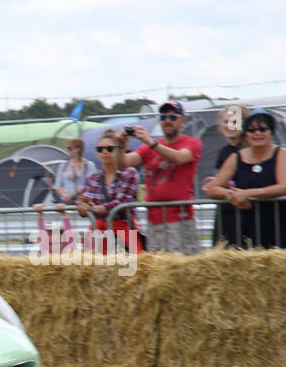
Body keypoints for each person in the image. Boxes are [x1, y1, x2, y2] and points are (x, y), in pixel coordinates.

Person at [121, 102, 202, 255]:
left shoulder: (192, 142)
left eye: (172, 116)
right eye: (163, 117)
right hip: (154, 220)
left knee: (181, 266)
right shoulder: (149, 147)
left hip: (179, 219)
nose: (167, 121)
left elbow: (180, 158)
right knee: (157, 269)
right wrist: (120, 146)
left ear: (183, 121)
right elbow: (123, 162)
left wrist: (151, 142)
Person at [203, 112, 286, 249]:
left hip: (277, 221)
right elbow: (212, 188)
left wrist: (248, 193)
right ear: (246, 134)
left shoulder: (281, 154)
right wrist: (231, 195)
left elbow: (283, 186)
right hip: (246, 223)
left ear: (271, 133)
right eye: (251, 130)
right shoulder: (236, 157)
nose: (257, 133)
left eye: (262, 129)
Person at [76, 129, 143, 252]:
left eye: (109, 149)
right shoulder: (92, 178)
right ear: (97, 153)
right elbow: (84, 207)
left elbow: (121, 203)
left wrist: (94, 208)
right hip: (98, 233)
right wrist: (83, 206)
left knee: (130, 269)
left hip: (122, 232)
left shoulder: (129, 173)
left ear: (118, 150)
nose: (105, 152)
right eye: (100, 149)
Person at [205, 105, 250, 247]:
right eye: (226, 122)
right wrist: (217, 182)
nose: (229, 126)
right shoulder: (225, 151)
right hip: (227, 213)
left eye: (235, 122)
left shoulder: (251, 150)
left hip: (246, 214)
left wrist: (223, 190)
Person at [52, 138, 96, 205]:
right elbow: (58, 185)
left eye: (70, 148)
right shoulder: (63, 165)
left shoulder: (89, 165)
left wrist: (73, 195)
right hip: (64, 203)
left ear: (78, 149)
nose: (67, 150)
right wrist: (64, 196)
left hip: (82, 202)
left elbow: (91, 185)